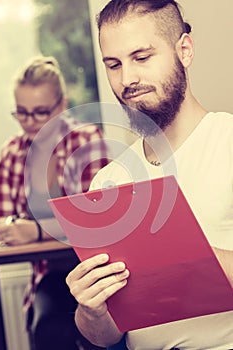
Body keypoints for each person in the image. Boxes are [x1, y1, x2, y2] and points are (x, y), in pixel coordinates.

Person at [66, 1, 233, 349]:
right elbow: (106, 336)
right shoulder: (107, 184)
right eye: (114, 64)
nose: (127, 79)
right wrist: (91, 309)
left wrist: (188, 256)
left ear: (184, 50)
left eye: (141, 58)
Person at [0, 56, 108, 350]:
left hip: (94, 269)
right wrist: (9, 226)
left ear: (62, 105)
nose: (29, 122)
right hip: (50, 275)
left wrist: (37, 232)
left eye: (40, 112)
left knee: (101, 333)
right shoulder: (12, 152)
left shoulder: (87, 139)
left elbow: (97, 217)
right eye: (21, 113)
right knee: (48, 329)